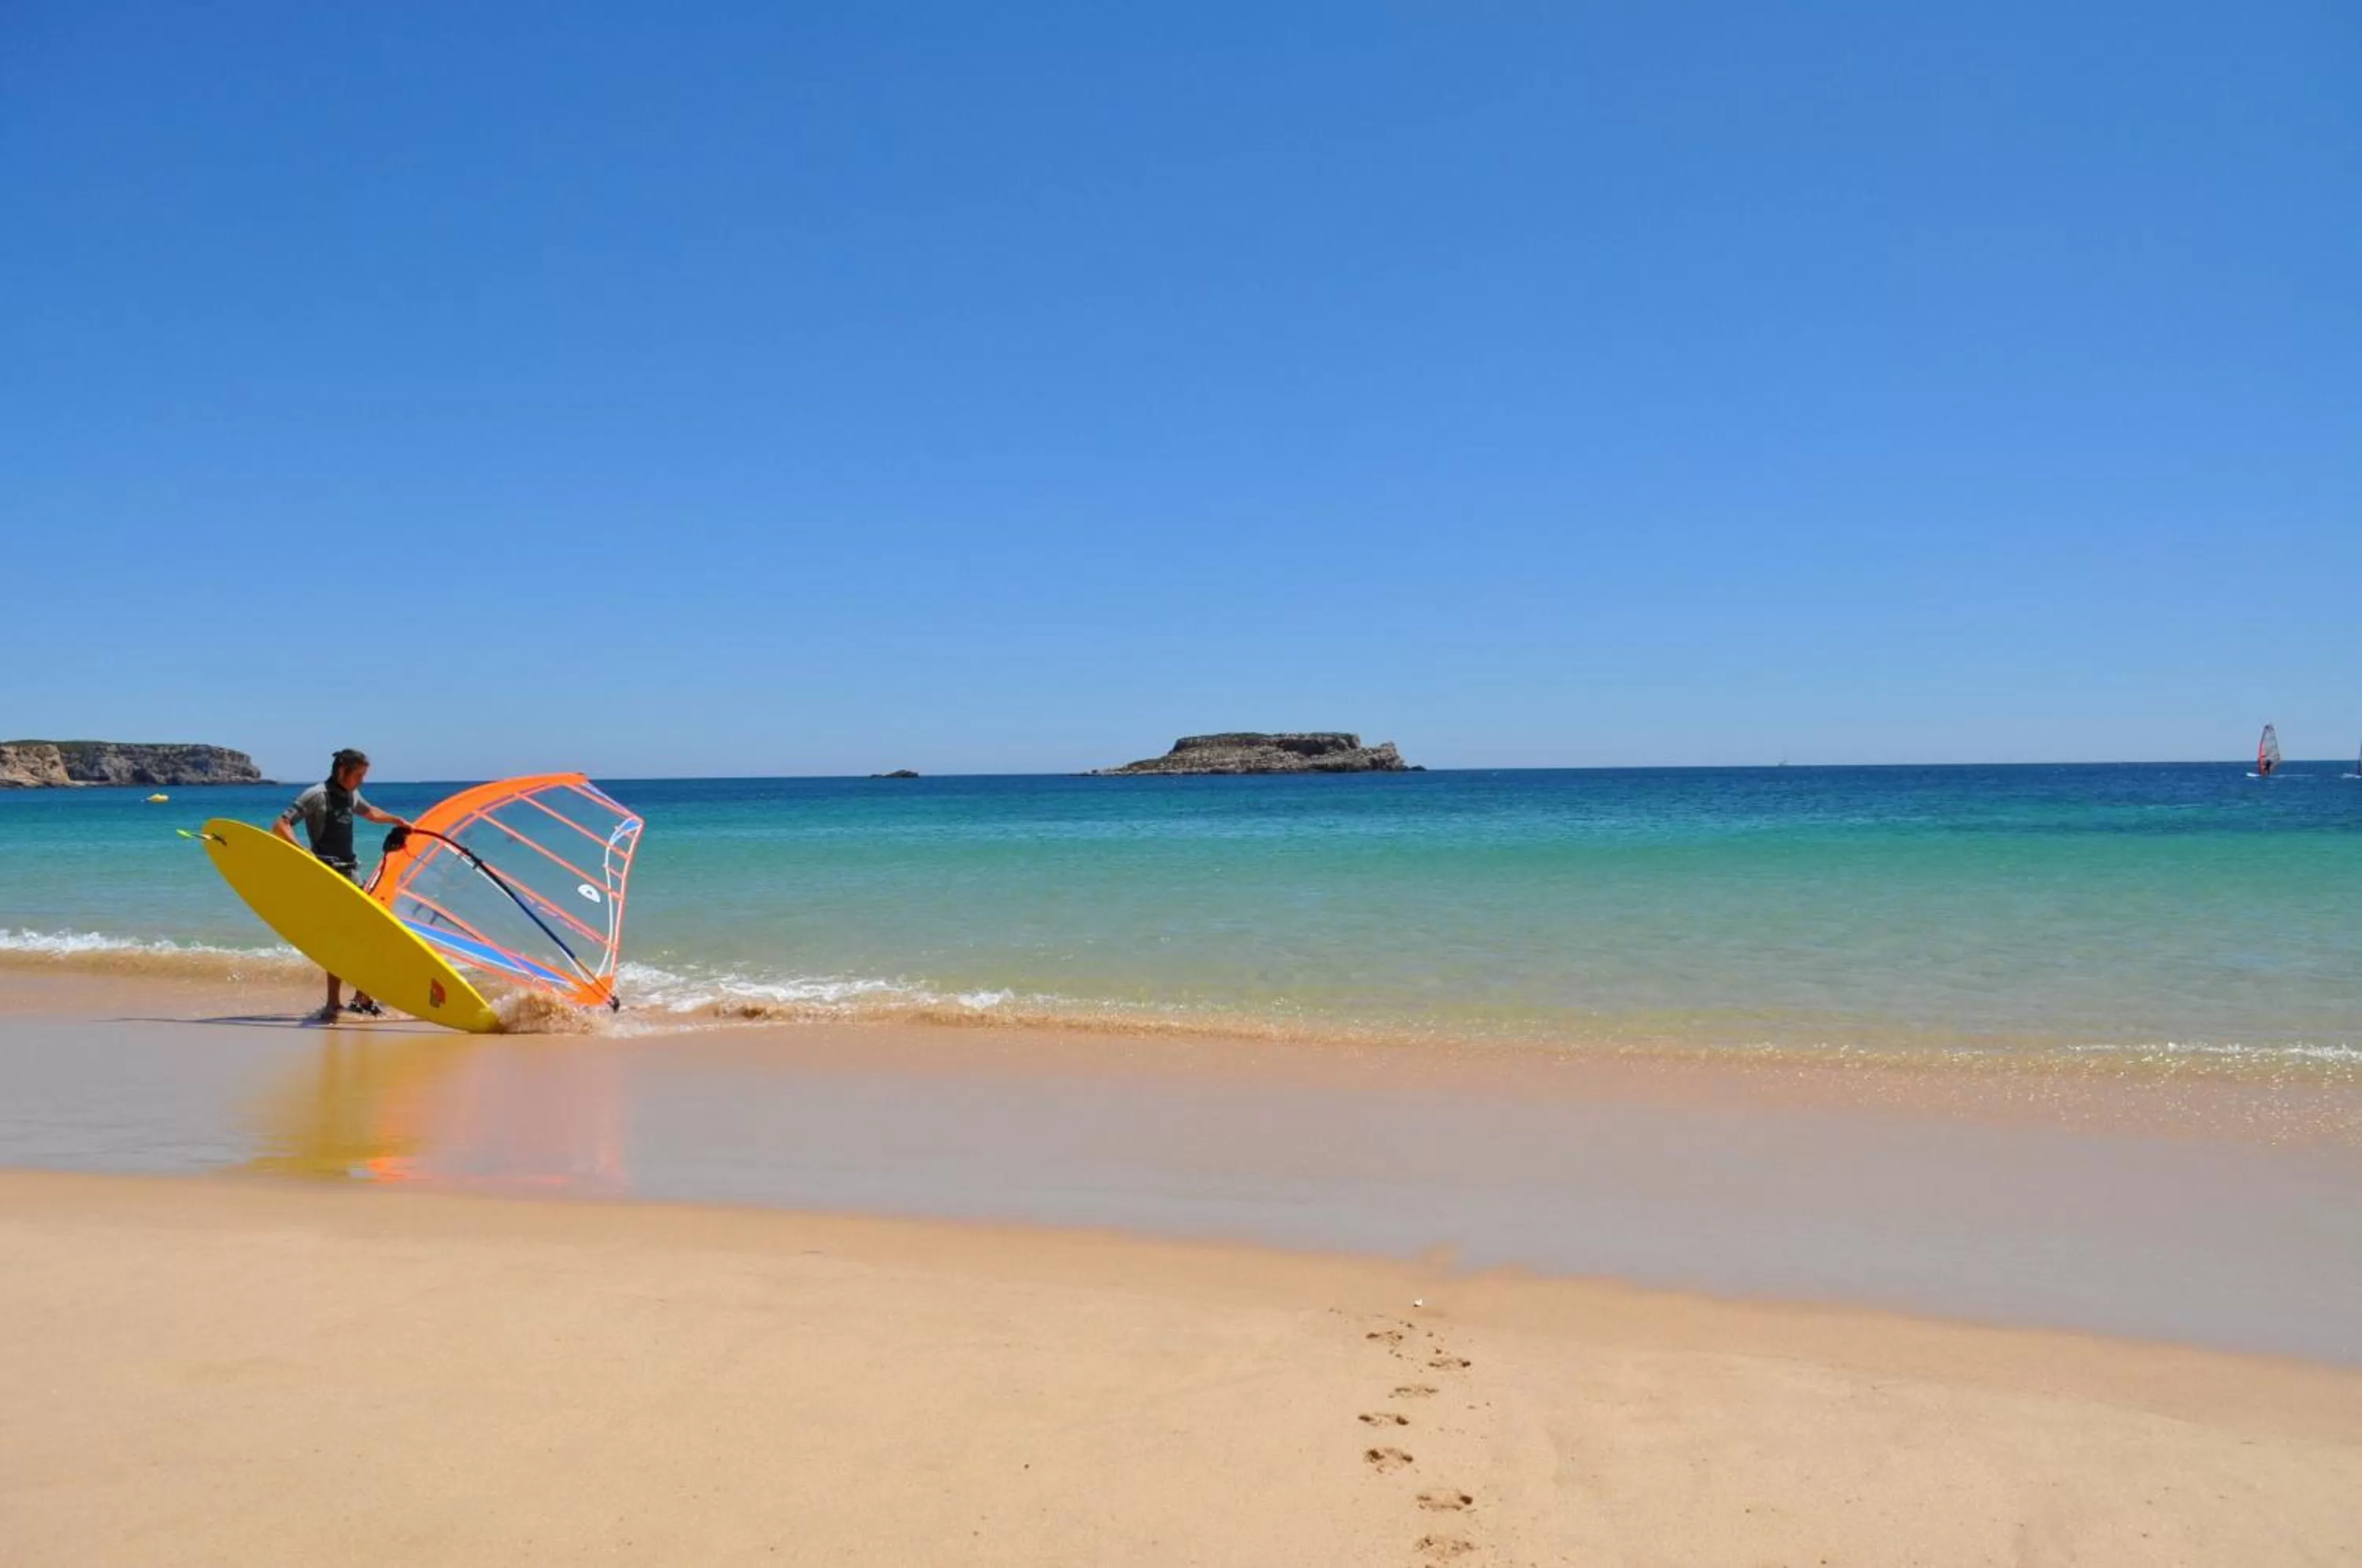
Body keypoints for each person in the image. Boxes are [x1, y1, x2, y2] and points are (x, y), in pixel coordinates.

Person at [275, 749, 410, 1023]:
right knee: (339, 940)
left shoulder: (350, 794)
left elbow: (370, 812)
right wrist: (304, 853)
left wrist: (396, 820)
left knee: (371, 932)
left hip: (352, 873)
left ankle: (362, 997)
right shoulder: (316, 795)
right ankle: (333, 1004)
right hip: (328, 875)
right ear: (342, 771)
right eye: (358, 775)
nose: (361, 780)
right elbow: (281, 824)